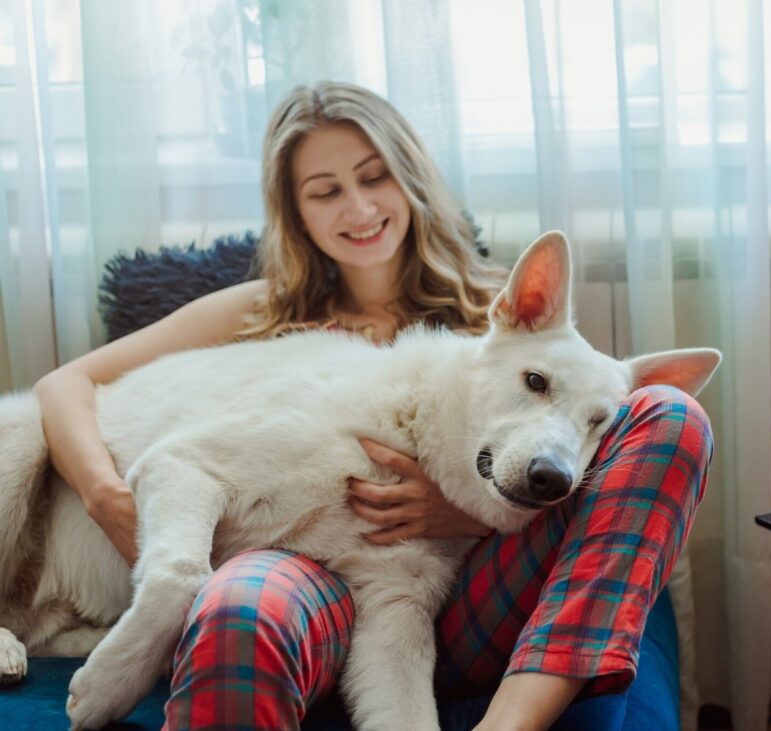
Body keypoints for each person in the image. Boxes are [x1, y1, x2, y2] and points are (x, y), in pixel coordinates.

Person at [33, 81, 714, 731]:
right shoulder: (264, 310)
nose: (358, 208)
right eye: (325, 191)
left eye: (374, 176)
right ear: (295, 210)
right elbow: (66, 387)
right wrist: (107, 496)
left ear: (411, 176)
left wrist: (462, 512)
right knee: (243, 607)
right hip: (320, 573)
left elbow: (587, 442)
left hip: (475, 594)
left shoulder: (502, 315)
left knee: (668, 416)